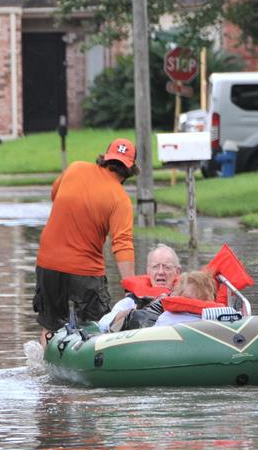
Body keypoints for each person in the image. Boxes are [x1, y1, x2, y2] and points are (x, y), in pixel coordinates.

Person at [34, 138, 139, 344]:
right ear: (130, 169)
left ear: (105, 158)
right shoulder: (120, 199)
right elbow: (122, 244)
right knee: (99, 327)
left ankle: (46, 370)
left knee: (50, 326)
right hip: (85, 270)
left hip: (48, 262)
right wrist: (132, 289)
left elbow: (55, 194)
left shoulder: (75, 168)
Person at [97, 245, 182, 333]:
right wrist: (130, 314)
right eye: (155, 267)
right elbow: (103, 324)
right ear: (148, 271)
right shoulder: (133, 300)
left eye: (167, 267)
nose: (160, 272)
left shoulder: (185, 297)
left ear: (178, 271)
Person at [154, 271, 218, 327]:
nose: (192, 304)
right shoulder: (166, 317)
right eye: (187, 299)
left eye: (197, 300)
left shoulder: (214, 320)